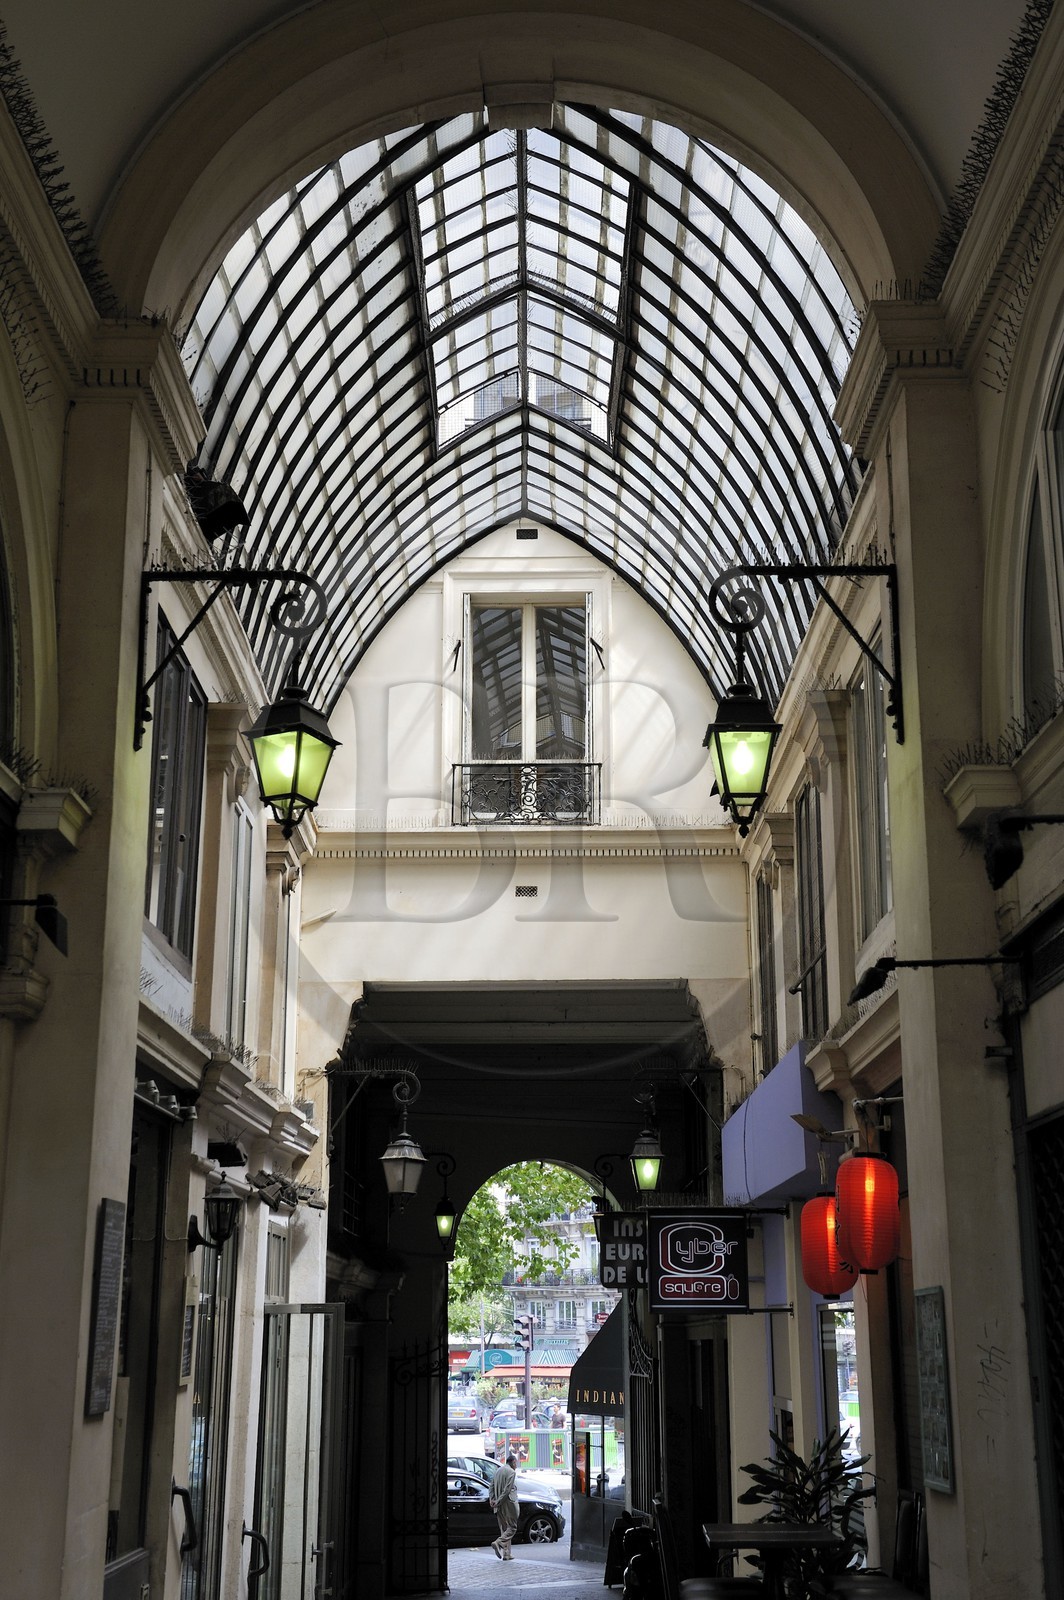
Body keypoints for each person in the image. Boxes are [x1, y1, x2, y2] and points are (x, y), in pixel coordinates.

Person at [489, 1453, 520, 1560]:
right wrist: (498, 1501)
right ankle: (498, 1542)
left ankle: (506, 1554)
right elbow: (507, 1490)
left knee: (504, 1529)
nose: (516, 1466)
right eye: (516, 1463)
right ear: (513, 1462)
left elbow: (491, 1486)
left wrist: (492, 1499)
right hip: (508, 1503)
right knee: (512, 1527)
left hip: (498, 1505)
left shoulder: (498, 1471)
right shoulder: (511, 1472)